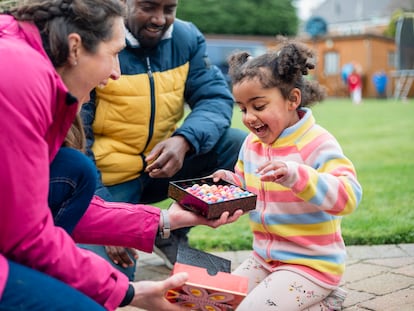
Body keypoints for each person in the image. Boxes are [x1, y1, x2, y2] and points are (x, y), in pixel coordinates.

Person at [0, 1, 243, 310]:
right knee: (97, 291)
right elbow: (26, 234)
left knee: (72, 170)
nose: (117, 73)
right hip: (111, 179)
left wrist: (167, 220)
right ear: (75, 47)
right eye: (114, 55)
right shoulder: (20, 75)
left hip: (153, 171)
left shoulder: (38, 61)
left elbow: (29, 214)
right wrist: (127, 292)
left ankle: (169, 240)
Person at [80, 0, 247, 274]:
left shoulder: (186, 37)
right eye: (148, 7)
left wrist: (185, 140)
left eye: (169, 9)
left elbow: (214, 97)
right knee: (108, 277)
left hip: (162, 169)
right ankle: (141, 226)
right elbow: (76, 141)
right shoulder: (98, 38)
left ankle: (170, 233)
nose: (159, 19)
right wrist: (108, 218)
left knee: (235, 145)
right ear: (124, 3)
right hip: (108, 182)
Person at [212, 40, 363, 310]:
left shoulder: (317, 143)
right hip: (264, 259)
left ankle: (325, 302)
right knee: (218, 301)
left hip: (310, 266)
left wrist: (298, 177)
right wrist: (231, 186)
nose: (248, 118)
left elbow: (349, 196)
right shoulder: (251, 145)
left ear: (293, 99)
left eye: (258, 106)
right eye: (243, 108)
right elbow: (251, 192)